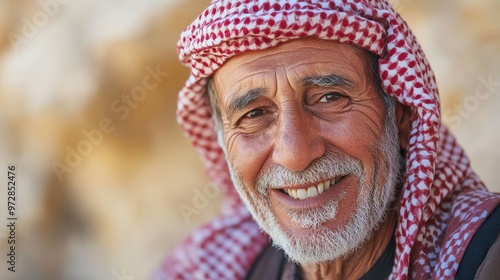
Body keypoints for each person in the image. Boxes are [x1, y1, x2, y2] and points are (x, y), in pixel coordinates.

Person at [155, 1, 500, 279]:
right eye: (254, 115)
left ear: (402, 115)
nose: (295, 154)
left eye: (330, 98)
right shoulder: (205, 267)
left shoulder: (487, 255)